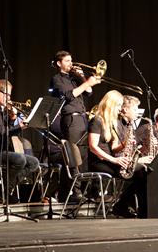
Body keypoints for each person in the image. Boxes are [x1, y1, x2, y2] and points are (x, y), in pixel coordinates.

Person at [0, 79, 39, 203]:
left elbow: (4, 128)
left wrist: (12, 118)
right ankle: (3, 193)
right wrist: (18, 127)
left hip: (0, 149)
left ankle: (2, 190)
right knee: (20, 159)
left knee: (34, 163)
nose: (9, 98)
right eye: (7, 95)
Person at [49, 50, 101, 201]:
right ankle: (74, 192)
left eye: (71, 60)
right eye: (67, 61)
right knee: (74, 155)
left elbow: (89, 92)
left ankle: (70, 192)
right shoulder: (57, 79)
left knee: (83, 155)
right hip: (71, 119)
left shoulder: (74, 78)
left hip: (82, 118)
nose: (71, 64)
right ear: (59, 63)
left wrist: (82, 77)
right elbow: (69, 96)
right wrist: (86, 83)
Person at [88, 90, 146, 218]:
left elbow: (114, 149)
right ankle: (122, 206)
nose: (120, 109)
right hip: (99, 162)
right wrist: (114, 160)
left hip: (109, 160)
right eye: (119, 105)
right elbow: (93, 147)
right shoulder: (96, 121)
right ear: (111, 104)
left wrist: (124, 144)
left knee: (143, 172)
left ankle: (123, 205)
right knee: (140, 172)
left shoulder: (112, 123)